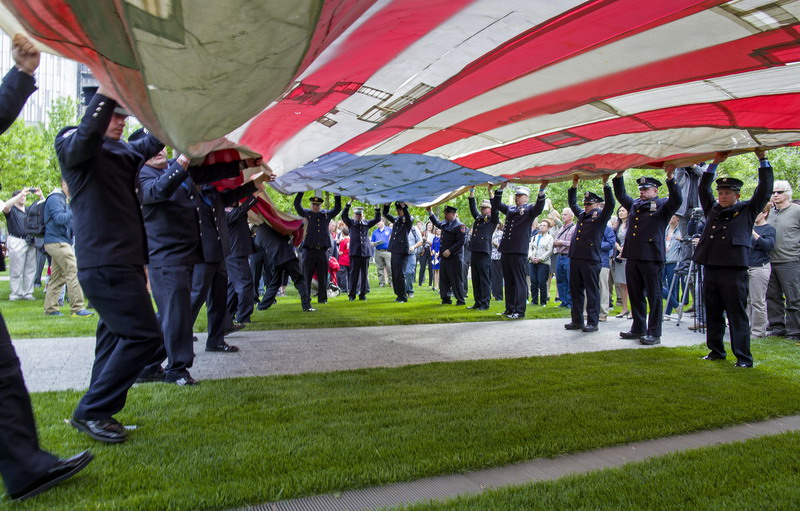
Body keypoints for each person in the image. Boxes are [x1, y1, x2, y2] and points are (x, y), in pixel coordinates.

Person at [0, 32, 94, 501]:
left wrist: (21, 73)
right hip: (59, 245)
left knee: (3, 371)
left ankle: (26, 468)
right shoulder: (58, 199)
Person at [56, 75, 166, 442]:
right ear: (96, 112)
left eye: (124, 115)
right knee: (145, 335)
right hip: (105, 261)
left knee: (112, 336)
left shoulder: (123, 151)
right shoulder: (72, 142)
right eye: (115, 115)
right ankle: (93, 410)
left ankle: (98, 411)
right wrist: (106, 92)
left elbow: (151, 141)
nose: (122, 121)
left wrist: (188, 126)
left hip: (123, 261)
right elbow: (86, 137)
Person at [138, 149, 259, 385]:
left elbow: (207, 173)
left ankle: (152, 365)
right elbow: (158, 190)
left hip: (187, 254)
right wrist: (182, 160)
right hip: (166, 255)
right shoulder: (142, 176)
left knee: (177, 314)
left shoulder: (175, 171)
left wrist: (243, 164)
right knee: (175, 314)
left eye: (161, 146)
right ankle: (168, 368)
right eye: (152, 148)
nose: (159, 151)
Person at [693, 150, 772, 367]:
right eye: (720, 193)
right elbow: (703, 188)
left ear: (737, 195)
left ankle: (743, 357)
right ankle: (716, 351)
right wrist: (714, 164)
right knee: (713, 313)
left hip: (733, 269)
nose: (723, 196)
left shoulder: (747, 210)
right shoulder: (713, 210)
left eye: (727, 193)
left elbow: (764, 190)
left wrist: (763, 160)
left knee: (736, 315)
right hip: (711, 267)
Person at [613, 166, 682, 345]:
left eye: (646, 189)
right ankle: (638, 328)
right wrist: (619, 176)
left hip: (651, 257)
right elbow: (621, 195)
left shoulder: (663, 205)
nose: (642, 192)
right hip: (633, 255)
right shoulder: (635, 204)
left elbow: (677, 199)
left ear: (655, 191)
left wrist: (671, 178)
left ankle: (654, 333)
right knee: (635, 294)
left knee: (654, 295)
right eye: (641, 189)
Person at [563, 175, 615, 332]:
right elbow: (573, 204)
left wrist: (606, 185)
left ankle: (592, 322)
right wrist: (574, 187)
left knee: (592, 292)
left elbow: (611, 204)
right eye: (585, 204)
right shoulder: (582, 215)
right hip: (576, 257)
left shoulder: (600, 216)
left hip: (590, 259)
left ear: (597, 204)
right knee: (576, 291)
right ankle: (577, 320)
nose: (586, 206)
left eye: (589, 204)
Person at [492, 182, 547, 319]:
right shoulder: (511, 209)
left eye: (520, 195)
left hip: (518, 250)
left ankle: (519, 310)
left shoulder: (529, 209)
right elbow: (497, 204)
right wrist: (501, 189)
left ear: (526, 197)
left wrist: (541, 190)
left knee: (519, 281)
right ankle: (510, 308)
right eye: (516, 195)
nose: (517, 197)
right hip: (506, 249)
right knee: (508, 280)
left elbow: (539, 207)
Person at [42, 178, 92, 317]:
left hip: (59, 241)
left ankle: (50, 309)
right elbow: (59, 219)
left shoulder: (62, 198)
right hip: (57, 242)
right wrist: (73, 207)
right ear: (64, 184)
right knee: (73, 270)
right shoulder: (55, 198)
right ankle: (77, 308)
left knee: (58, 277)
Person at [766, 177, 800, 340]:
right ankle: (777, 327)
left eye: (779, 192)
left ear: (788, 194)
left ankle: (795, 331)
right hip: (769, 261)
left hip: (791, 261)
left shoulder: (796, 211)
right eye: (773, 192)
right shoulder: (769, 211)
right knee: (772, 297)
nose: (775, 195)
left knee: (794, 298)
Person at [294, 192, 341, 305]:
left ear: (320, 206)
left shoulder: (325, 215)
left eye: (318, 205)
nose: (315, 207)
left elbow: (337, 209)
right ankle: (306, 298)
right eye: (314, 204)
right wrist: (301, 191)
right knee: (307, 275)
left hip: (322, 250)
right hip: (309, 250)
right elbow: (297, 205)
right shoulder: (307, 213)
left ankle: (322, 298)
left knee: (323, 275)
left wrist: (337, 195)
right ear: (311, 205)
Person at [255, 223, 315, 312]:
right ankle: (306, 305)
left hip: (274, 260)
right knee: (299, 280)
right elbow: (285, 234)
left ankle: (262, 306)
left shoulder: (258, 239)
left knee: (274, 284)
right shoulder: (269, 226)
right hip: (287, 256)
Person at [225, 193, 259, 324]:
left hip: (237, 252)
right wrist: (253, 197)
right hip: (235, 252)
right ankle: (243, 316)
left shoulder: (232, 210)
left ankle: (227, 315)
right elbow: (239, 212)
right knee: (245, 284)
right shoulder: (225, 211)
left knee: (233, 286)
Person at [3, 187, 41, 300]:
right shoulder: (12, 211)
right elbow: (5, 206)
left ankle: (27, 293)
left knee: (30, 269)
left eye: (24, 196)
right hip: (17, 240)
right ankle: (15, 293)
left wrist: (40, 196)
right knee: (16, 269)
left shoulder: (28, 210)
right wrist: (20, 194)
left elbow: (43, 207)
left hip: (29, 241)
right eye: (21, 196)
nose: (23, 198)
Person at [467, 186, 499, 310]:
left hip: (484, 252)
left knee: (484, 278)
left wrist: (491, 193)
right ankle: (478, 301)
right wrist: (471, 192)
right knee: (475, 278)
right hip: (475, 250)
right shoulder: (479, 219)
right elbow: (472, 208)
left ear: (490, 209)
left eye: (485, 208)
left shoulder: (492, 220)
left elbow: (496, 209)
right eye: (482, 208)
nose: (482, 209)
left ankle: (485, 303)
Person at [428, 204, 467, 306]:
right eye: (445, 213)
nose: (445, 215)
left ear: (453, 214)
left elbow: (461, 241)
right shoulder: (446, 224)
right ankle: (445, 299)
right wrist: (430, 212)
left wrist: (450, 250)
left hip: (454, 257)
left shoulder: (460, 226)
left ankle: (460, 300)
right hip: (444, 257)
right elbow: (437, 223)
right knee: (444, 279)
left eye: (447, 213)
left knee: (456, 280)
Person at [342, 201, 381, 300]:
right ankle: (352, 295)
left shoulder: (366, 224)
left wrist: (376, 207)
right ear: (354, 215)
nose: (359, 216)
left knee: (364, 275)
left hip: (365, 253)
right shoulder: (351, 223)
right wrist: (349, 203)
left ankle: (363, 294)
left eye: (360, 215)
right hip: (355, 253)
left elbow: (377, 219)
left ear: (362, 215)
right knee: (353, 275)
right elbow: (344, 215)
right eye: (357, 215)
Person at [748, 204, 776, 339]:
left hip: (759, 267)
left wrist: (754, 234)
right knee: (745, 300)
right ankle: (746, 328)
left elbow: (768, 246)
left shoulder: (769, 229)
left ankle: (758, 332)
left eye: (758, 212)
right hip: (745, 266)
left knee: (757, 300)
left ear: (765, 213)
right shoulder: (747, 227)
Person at [383, 202, 413, 302]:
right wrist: (387, 205)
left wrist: (404, 207)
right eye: (397, 209)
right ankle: (398, 295)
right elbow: (385, 214)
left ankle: (403, 296)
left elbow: (408, 218)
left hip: (402, 250)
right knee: (395, 273)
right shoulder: (396, 220)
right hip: (395, 249)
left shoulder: (407, 220)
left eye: (400, 209)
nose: (398, 211)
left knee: (400, 274)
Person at [553, 208, 576, 309]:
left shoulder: (574, 228)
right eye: (562, 214)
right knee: (560, 279)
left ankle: (570, 302)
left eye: (565, 214)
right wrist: (555, 243)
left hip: (568, 256)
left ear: (571, 216)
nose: (563, 216)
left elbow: (575, 243)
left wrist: (562, 243)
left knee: (569, 279)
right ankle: (563, 301)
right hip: (560, 255)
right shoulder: (561, 228)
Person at [662, 215, 683, 318]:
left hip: (674, 261)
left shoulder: (681, 231)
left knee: (672, 286)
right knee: (658, 284)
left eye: (672, 216)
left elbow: (684, 247)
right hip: (663, 260)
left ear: (677, 218)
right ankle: (676, 305)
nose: (670, 217)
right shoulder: (665, 229)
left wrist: (682, 240)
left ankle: (668, 312)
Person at [528, 220, 553, 306]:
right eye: (541, 225)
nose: (542, 227)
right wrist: (531, 257)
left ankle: (543, 301)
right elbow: (529, 248)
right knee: (533, 281)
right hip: (532, 261)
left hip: (543, 263)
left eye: (544, 226)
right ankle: (534, 300)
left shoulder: (549, 238)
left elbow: (549, 250)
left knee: (542, 282)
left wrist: (540, 259)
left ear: (548, 228)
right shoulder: (534, 237)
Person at [613, 206, 630, 318]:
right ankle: (624, 309)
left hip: (630, 255)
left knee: (631, 284)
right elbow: (614, 239)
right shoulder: (617, 225)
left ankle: (633, 310)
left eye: (623, 210)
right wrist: (618, 247)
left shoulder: (632, 224)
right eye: (619, 211)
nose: (621, 212)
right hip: (619, 256)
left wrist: (625, 249)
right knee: (622, 284)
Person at [370, 219, 392, 286]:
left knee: (389, 267)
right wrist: (373, 243)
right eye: (377, 222)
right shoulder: (375, 232)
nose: (377, 223)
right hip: (378, 251)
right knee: (379, 267)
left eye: (379, 222)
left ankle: (391, 282)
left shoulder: (389, 230)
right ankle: (382, 282)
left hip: (387, 251)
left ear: (383, 222)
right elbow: (372, 242)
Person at [490, 222, 504, 301]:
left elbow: (502, 246)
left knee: (497, 277)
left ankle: (499, 296)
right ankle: (493, 293)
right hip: (490, 257)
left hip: (498, 257)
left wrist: (495, 244)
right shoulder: (490, 232)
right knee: (492, 277)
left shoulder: (501, 233)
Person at [337, 226, 350, 294]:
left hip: (343, 260)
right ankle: (350, 287)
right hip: (349, 259)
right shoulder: (351, 240)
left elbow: (340, 252)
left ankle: (344, 288)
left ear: (342, 233)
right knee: (350, 274)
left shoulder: (343, 241)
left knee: (343, 275)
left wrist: (337, 250)